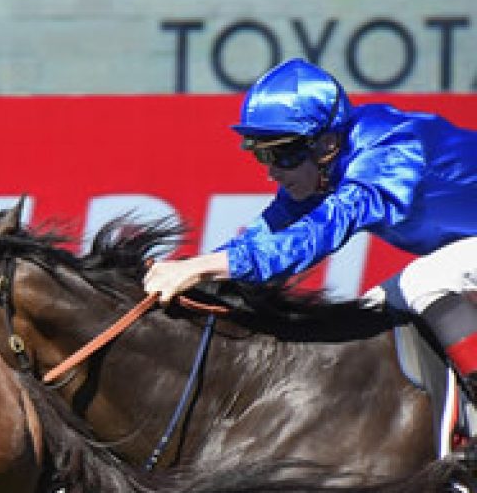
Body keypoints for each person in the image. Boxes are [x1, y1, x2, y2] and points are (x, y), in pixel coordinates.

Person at [144, 57, 477, 397]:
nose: (272, 172)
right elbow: (267, 236)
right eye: (262, 155)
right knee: (372, 313)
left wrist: (200, 269)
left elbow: (312, 237)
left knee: (424, 282)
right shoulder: (323, 170)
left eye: (282, 155)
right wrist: (190, 271)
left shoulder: (388, 153)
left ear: (327, 144)